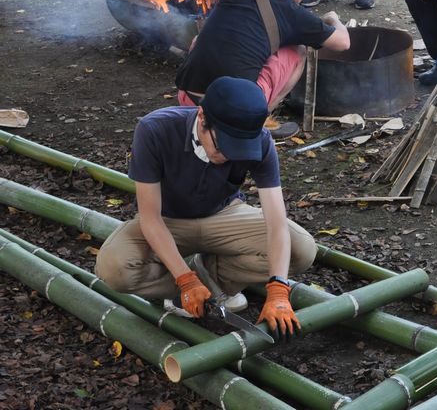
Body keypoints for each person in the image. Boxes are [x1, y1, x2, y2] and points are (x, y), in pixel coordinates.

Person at [95, 76, 317, 337]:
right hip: (168, 220)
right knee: (114, 268)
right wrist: (184, 279)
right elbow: (150, 218)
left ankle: (209, 282)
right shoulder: (156, 129)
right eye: (223, 147)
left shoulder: (261, 141)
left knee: (301, 249)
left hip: (224, 214)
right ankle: (191, 285)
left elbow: (276, 223)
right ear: (202, 117)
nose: (227, 157)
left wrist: (279, 288)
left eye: (238, 151)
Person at [175, 0, 350, 138]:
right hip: (235, 110)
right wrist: (333, 19)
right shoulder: (294, 14)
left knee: (199, 39)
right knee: (298, 51)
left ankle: (202, 113)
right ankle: (260, 119)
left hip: (188, 99)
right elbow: (343, 43)